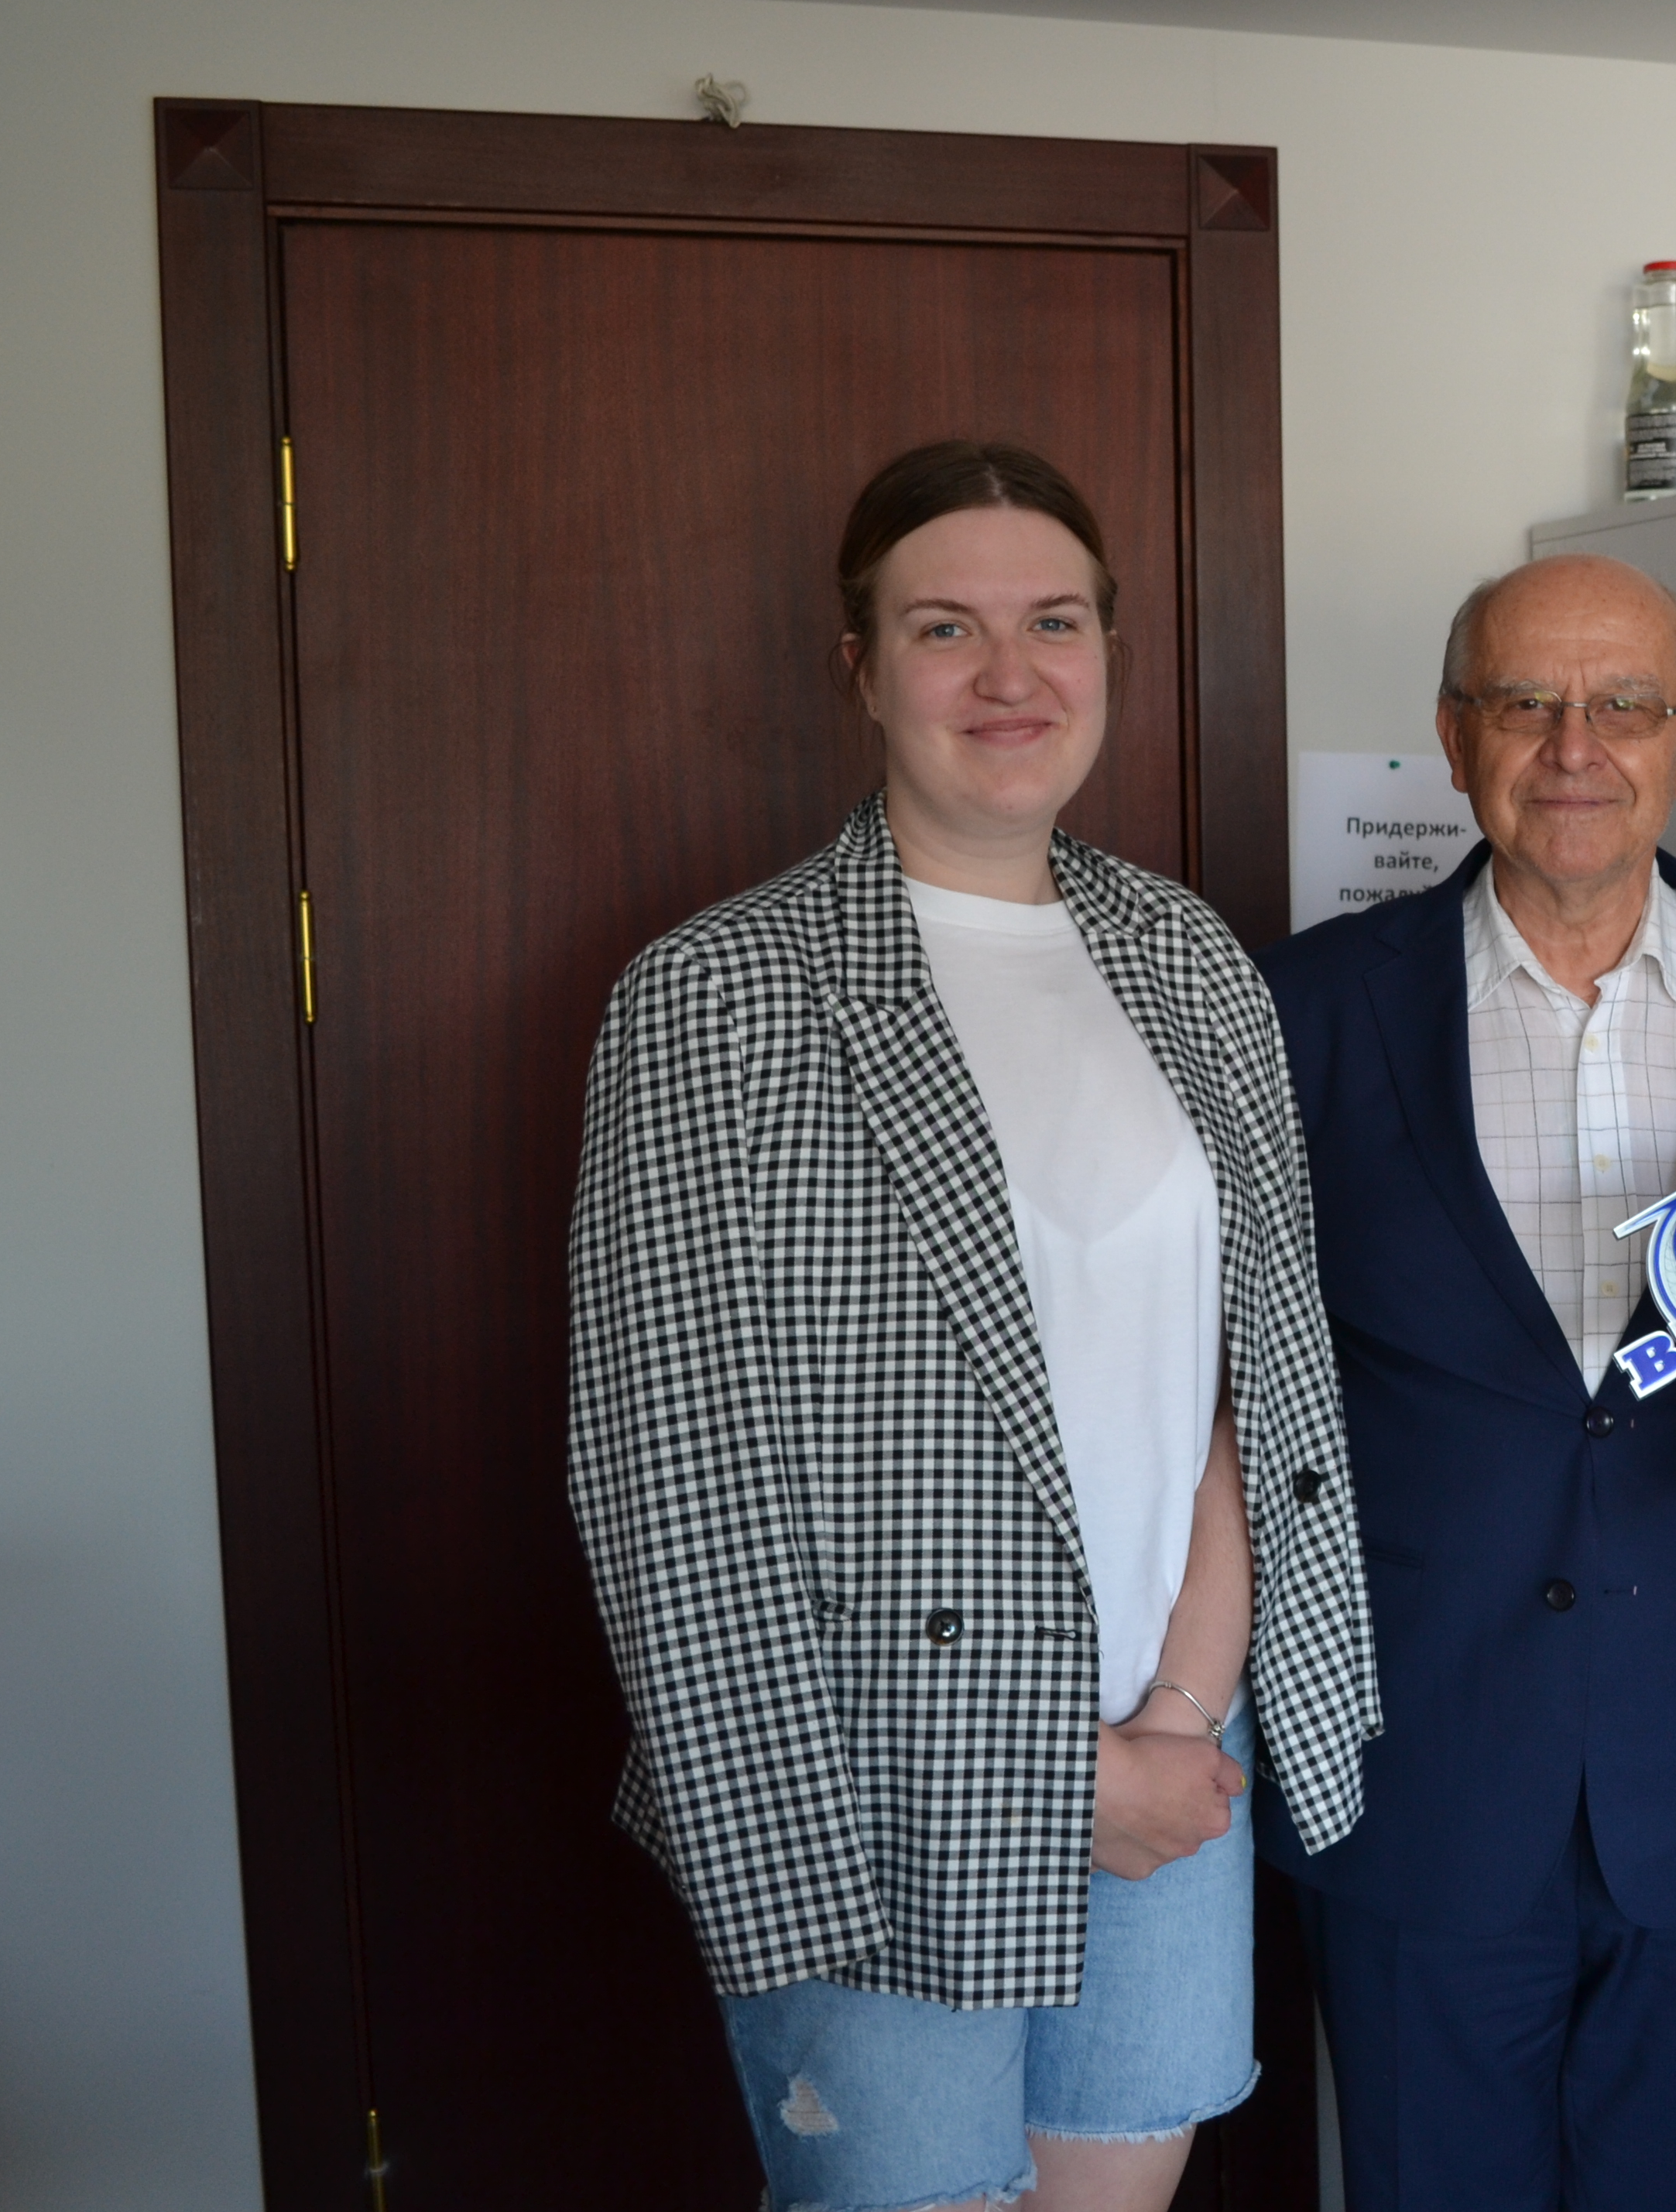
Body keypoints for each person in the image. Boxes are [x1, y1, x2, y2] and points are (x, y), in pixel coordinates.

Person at [567, 440, 1377, 2212]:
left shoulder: (1191, 962)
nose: (1012, 674)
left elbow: (1249, 1379)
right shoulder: (716, 998)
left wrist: (1178, 1715)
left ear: (1108, 653)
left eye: (1055, 622)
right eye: (947, 628)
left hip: (1181, 1741)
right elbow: (672, 1489)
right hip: (872, 1779)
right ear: (862, 668)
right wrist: (1050, 1775)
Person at [1256, 552, 1676, 2211]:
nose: (1574, 746)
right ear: (1454, 733)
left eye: (1624, 704)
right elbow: (1237, 1388)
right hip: (1415, 1775)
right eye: (1527, 701)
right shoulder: (1304, 1008)